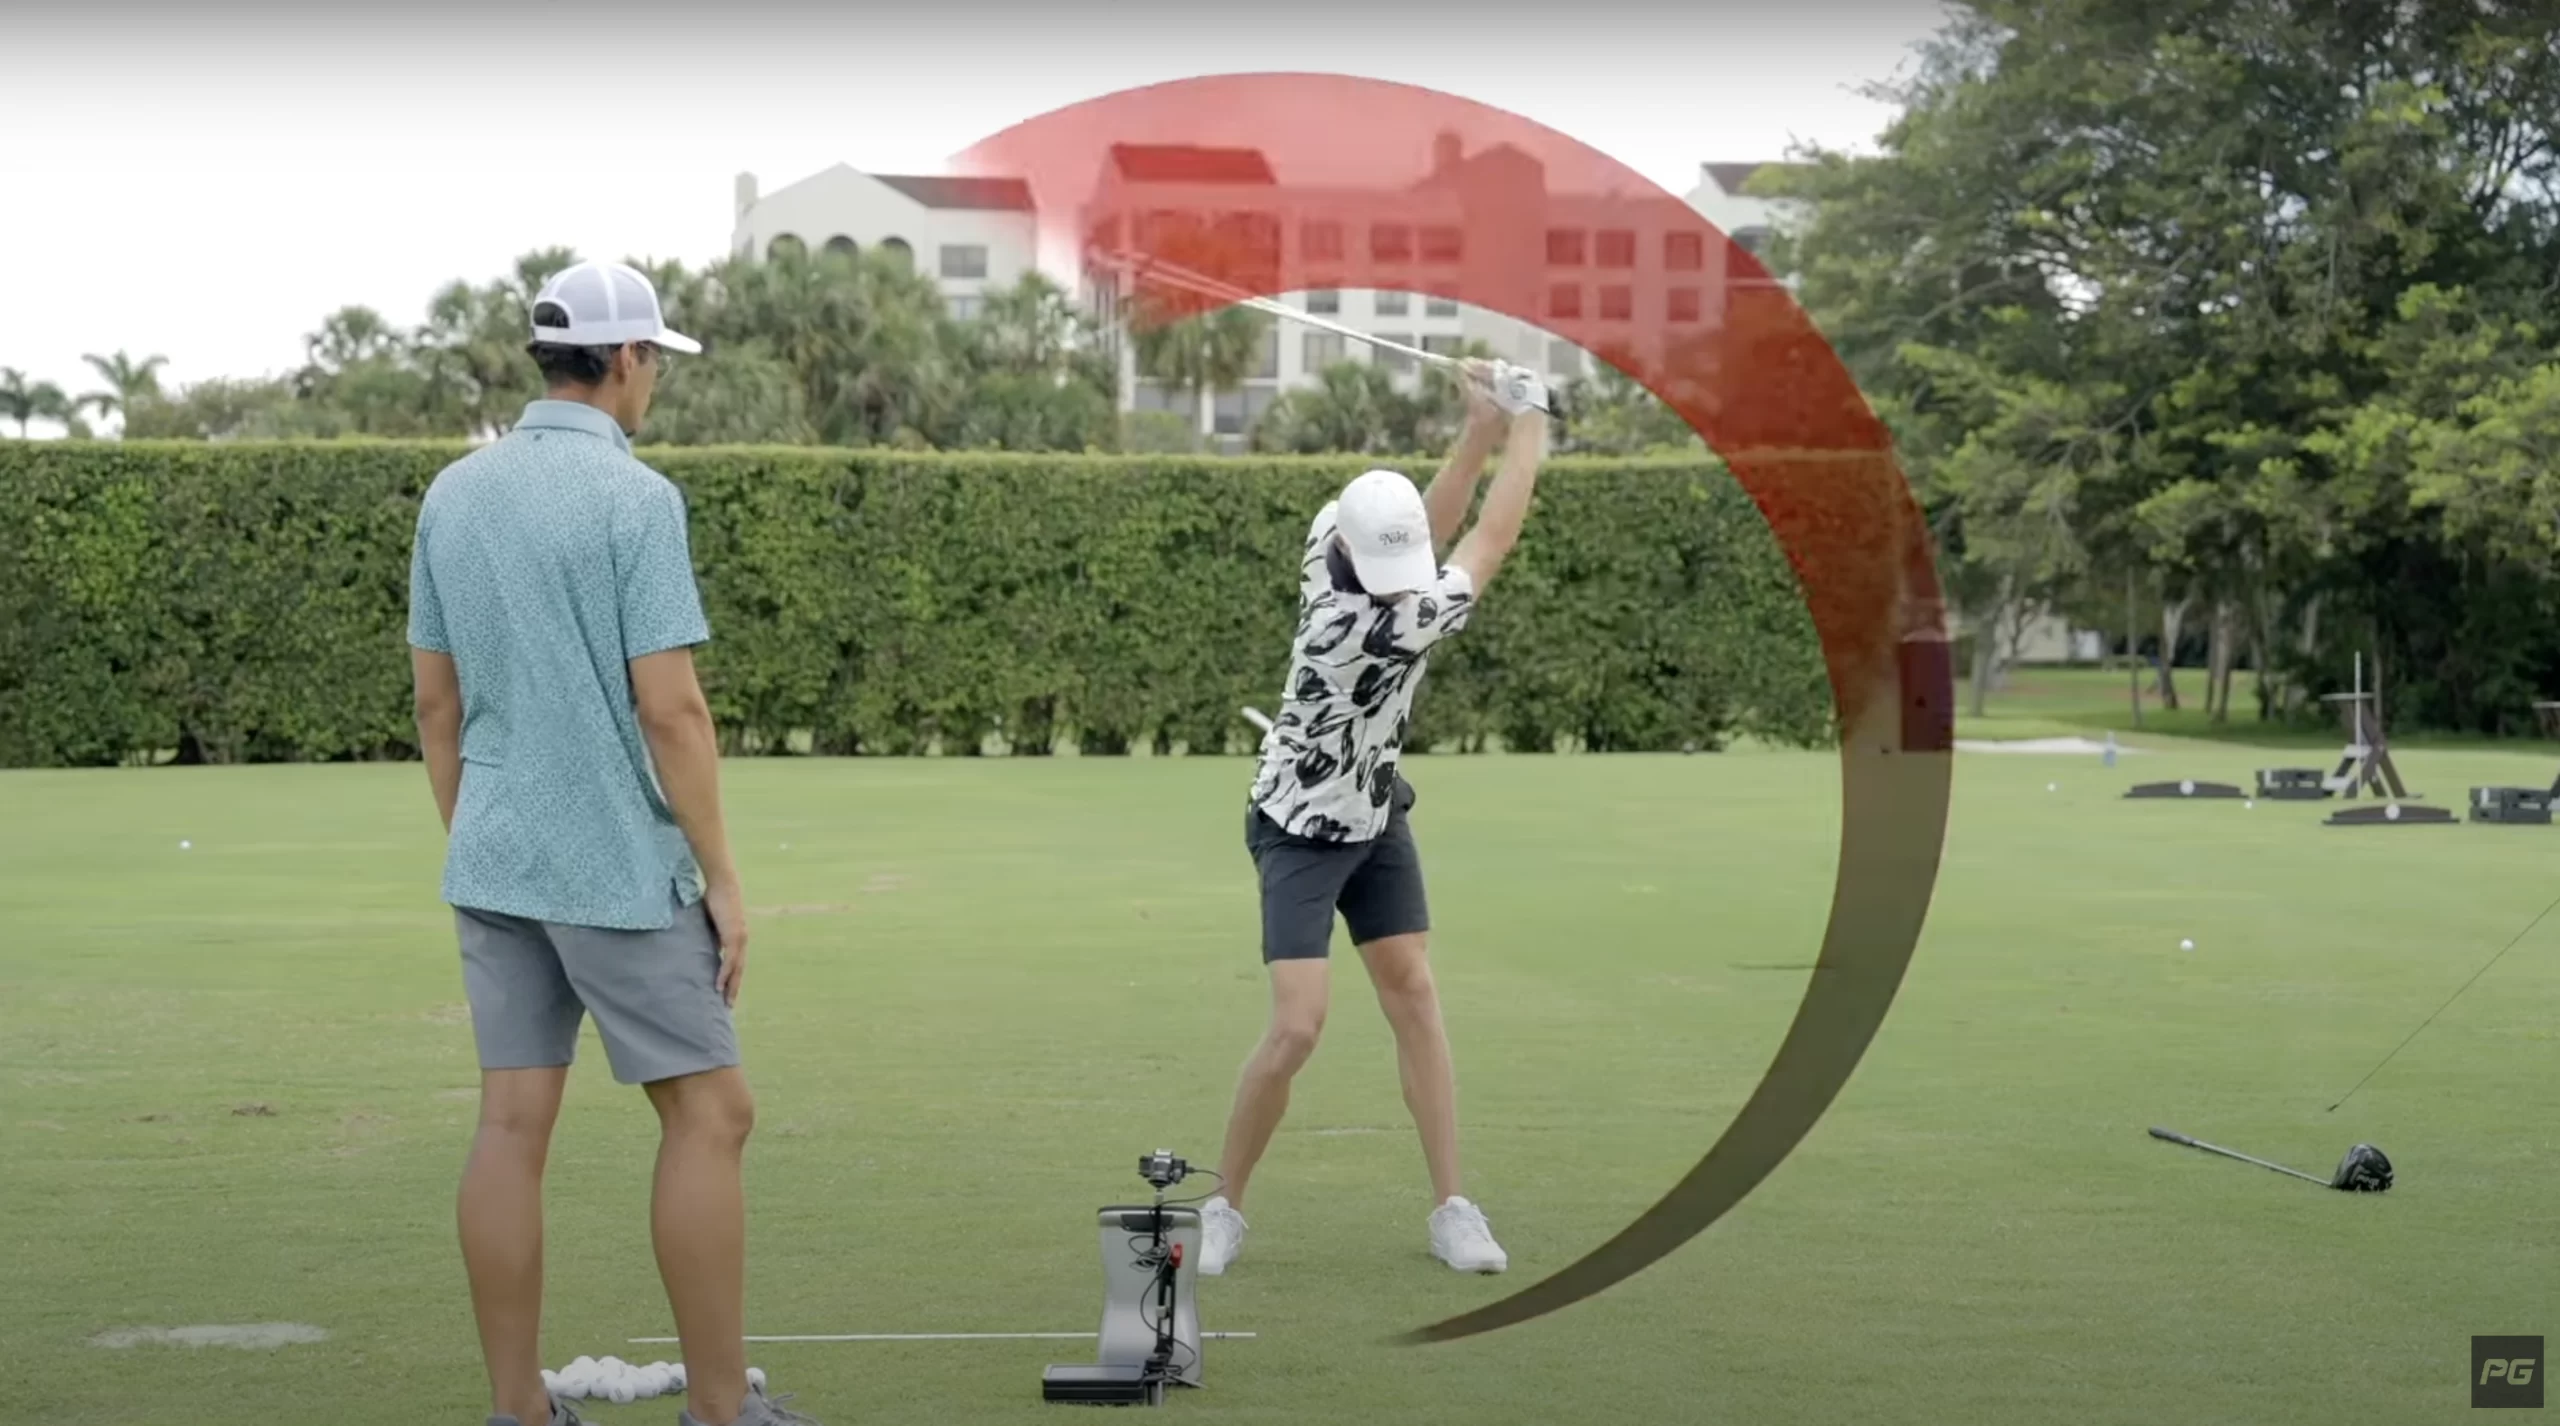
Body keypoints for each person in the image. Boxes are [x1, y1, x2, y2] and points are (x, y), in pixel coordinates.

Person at [406, 260, 819, 1426]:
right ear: (626, 359)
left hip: (493, 852)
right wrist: (727, 883)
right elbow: (673, 709)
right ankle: (721, 1413)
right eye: (654, 364)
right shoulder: (637, 501)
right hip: (618, 875)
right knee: (712, 1113)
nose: (655, 388)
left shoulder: (454, 493)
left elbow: (437, 710)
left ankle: (517, 1411)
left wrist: (483, 844)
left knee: (507, 1124)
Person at [1197, 358, 1550, 1277]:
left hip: (1375, 811)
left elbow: (1427, 528)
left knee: (1415, 993)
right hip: (1299, 826)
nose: (1405, 580)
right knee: (1299, 1026)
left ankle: (1452, 1208)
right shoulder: (1375, 629)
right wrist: (1532, 418)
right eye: (1392, 570)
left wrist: (1477, 425)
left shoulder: (1335, 533)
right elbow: (1490, 540)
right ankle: (1223, 1204)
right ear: (1348, 553)